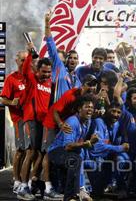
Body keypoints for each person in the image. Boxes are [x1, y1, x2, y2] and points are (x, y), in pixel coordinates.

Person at [17, 43, 59, 201]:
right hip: (31, 120)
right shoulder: (31, 80)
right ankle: (22, 187)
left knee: (42, 153)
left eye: (49, 72)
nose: (47, 75)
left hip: (44, 122)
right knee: (31, 152)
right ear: (37, 70)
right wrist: (30, 54)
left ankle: (32, 181)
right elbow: (27, 68)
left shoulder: (50, 83)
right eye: (44, 72)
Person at [48, 94, 99, 201]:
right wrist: (88, 142)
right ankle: (71, 196)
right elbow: (67, 146)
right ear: (79, 109)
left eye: (91, 108)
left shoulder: (88, 121)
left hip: (69, 152)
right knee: (75, 159)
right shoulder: (72, 121)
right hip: (56, 151)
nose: (90, 110)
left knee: (83, 157)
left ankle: (82, 190)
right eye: (87, 107)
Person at [0, 50, 27, 194]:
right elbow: (2, 99)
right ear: (17, 61)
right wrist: (12, 101)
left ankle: (25, 180)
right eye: (22, 60)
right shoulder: (11, 79)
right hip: (19, 119)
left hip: (33, 120)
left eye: (26, 60)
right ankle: (16, 180)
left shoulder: (32, 77)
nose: (24, 63)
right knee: (21, 150)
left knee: (31, 152)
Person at [44, 12, 81, 103]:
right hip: (55, 111)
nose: (72, 59)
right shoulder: (60, 68)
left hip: (69, 114)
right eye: (70, 57)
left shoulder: (78, 82)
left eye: (75, 58)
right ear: (66, 60)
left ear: (78, 62)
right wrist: (47, 23)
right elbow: (50, 44)